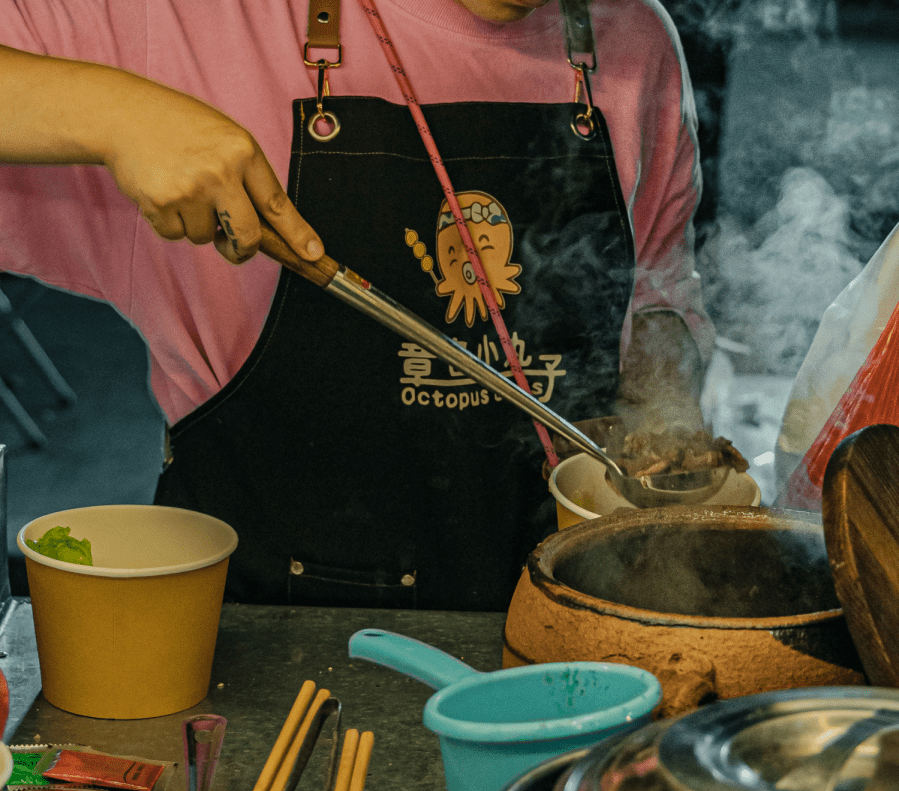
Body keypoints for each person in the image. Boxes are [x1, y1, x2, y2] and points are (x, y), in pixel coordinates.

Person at [0, 0, 713, 610]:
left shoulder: (632, 39)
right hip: (262, 635)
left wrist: (665, 412)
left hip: (564, 624)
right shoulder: (191, 18)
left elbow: (656, 283)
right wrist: (116, 113)